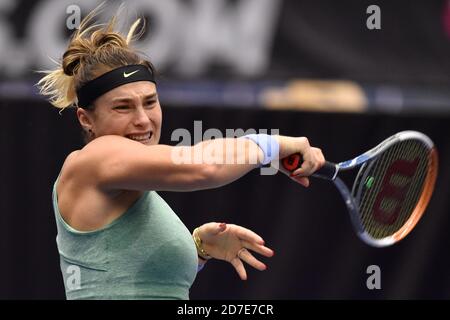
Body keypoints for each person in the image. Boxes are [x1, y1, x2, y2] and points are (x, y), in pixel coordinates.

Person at [37, 10, 325, 300]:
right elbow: (203, 167)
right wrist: (273, 145)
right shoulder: (96, 158)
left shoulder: (127, 183)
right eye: (123, 107)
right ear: (86, 119)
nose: (143, 119)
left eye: (150, 102)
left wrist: (196, 250)